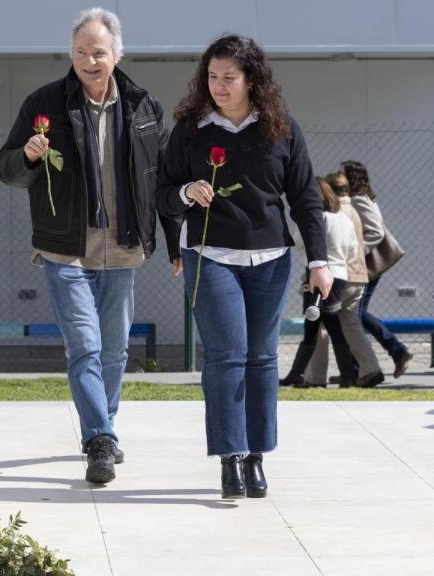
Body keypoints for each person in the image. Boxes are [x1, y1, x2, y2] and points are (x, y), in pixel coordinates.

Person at [0, 7, 178, 485]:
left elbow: (162, 181)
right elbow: (7, 169)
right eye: (80, 52)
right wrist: (28, 156)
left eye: (98, 52)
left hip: (123, 244)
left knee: (114, 351)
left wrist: (175, 242)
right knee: (84, 346)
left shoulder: (144, 107)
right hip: (66, 248)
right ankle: (99, 438)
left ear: (117, 53)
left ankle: (105, 430)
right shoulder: (45, 103)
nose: (89, 61)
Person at [158, 34, 331, 499]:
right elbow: (163, 192)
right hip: (210, 256)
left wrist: (319, 260)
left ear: (251, 79)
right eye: (212, 77)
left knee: (262, 358)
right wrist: (185, 192)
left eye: (229, 77)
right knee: (226, 356)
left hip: (270, 260)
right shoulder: (191, 130)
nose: (219, 86)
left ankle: (256, 455)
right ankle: (230, 457)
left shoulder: (282, 129)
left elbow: (306, 200)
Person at [305, 172, 384, 388]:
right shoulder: (353, 211)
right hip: (357, 274)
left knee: (321, 325)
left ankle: (316, 376)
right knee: (350, 324)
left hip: (337, 274)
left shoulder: (333, 212)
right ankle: (370, 368)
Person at [280, 177, 358, 389]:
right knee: (322, 325)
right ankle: (342, 375)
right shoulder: (345, 219)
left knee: (319, 324)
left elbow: (298, 241)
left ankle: (342, 375)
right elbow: (353, 251)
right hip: (340, 274)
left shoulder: (319, 218)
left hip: (318, 274)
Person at [340, 160, 413, 378]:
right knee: (353, 314)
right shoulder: (362, 198)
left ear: (352, 177)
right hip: (362, 265)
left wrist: (355, 253)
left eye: (341, 172)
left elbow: (376, 232)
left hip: (364, 265)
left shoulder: (358, 200)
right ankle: (356, 368)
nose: (338, 176)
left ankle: (395, 350)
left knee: (354, 314)